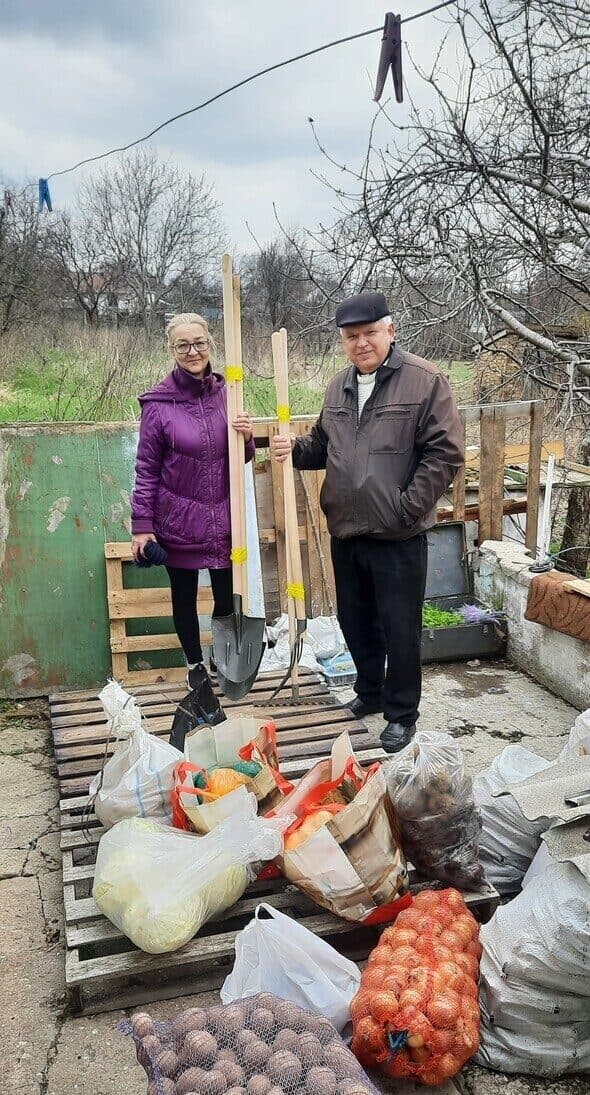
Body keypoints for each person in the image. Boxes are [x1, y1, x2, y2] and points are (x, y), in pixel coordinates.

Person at [272, 291, 464, 753]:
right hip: (347, 531)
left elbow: (445, 454)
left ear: (390, 331)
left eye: (370, 333)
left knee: (400, 629)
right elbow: (323, 443)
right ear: (342, 341)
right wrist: (293, 449)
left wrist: (405, 508)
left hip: (398, 535)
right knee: (355, 622)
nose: (361, 343)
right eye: (351, 336)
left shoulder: (424, 381)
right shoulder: (338, 386)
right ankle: (370, 693)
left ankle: (401, 715)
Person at [130, 312, 255, 691]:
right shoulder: (158, 405)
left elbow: (242, 457)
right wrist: (142, 527)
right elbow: (146, 469)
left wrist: (247, 437)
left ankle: (221, 656)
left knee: (224, 595)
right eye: (182, 345)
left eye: (199, 343)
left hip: (222, 518)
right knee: (183, 597)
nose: (192, 351)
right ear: (171, 350)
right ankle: (194, 665)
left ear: (210, 344)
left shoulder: (228, 394)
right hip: (179, 520)